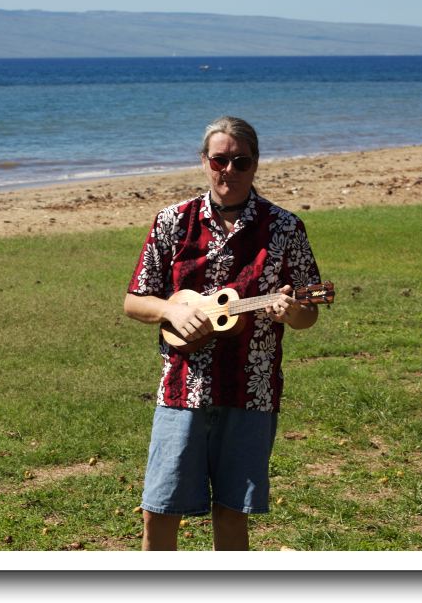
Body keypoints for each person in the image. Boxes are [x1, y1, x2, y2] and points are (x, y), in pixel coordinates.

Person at [123, 116, 323, 551]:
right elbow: (135, 300)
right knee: (159, 509)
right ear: (204, 161)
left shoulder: (285, 228)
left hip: (251, 391)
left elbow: (309, 312)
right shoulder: (172, 222)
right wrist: (171, 311)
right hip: (181, 390)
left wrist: (292, 313)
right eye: (219, 160)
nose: (228, 171)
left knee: (232, 512)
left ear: (255, 164)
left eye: (240, 161)